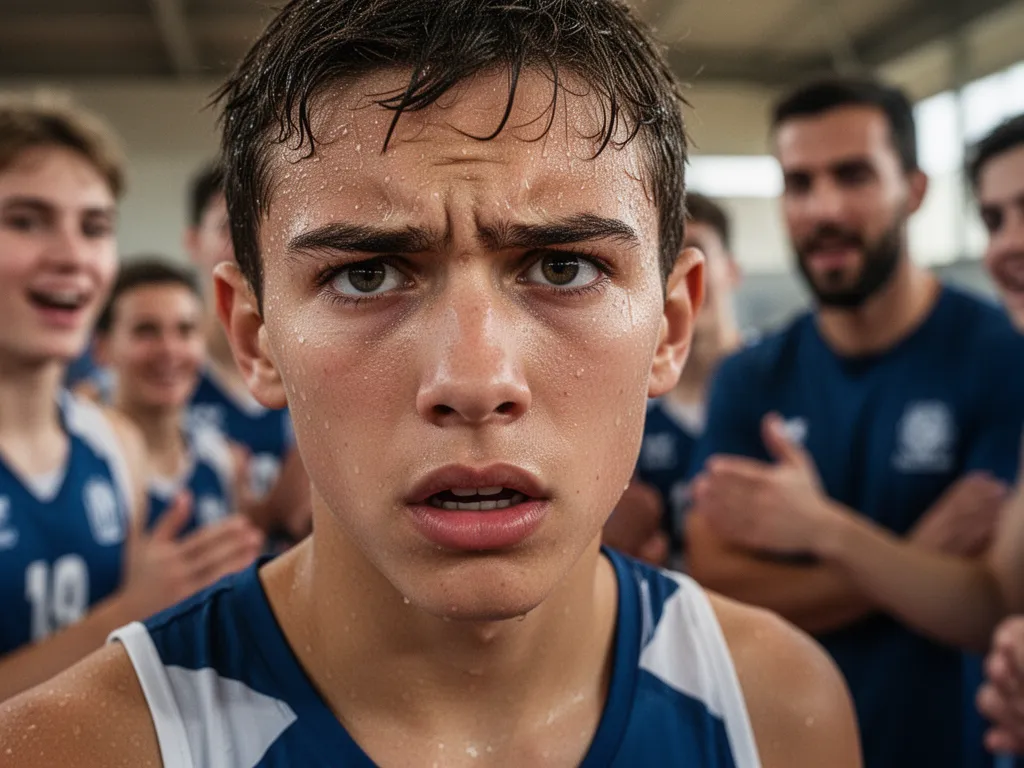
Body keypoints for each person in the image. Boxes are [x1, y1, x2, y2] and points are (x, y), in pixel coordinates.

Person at [0, 2, 862, 766]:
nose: (476, 380)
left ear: (671, 326)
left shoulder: (777, 705)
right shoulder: (79, 747)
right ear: (254, 338)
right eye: (367, 275)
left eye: (563, 266)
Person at [684, 78, 1024, 768]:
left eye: (854, 175)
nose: (824, 208)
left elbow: (990, 603)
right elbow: (713, 576)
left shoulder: (998, 353)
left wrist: (819, 533)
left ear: (915, 190)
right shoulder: (754, 377)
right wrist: (911, 555)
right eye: (799, 183)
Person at [0, 93, 263, 703]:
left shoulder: (115, 442)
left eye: (93, 227)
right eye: (25, 220)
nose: (71, 256)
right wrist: (129, 614)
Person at [185, 163, 311, 542]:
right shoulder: (157, 372)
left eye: (261, 225)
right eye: (229, 227)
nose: (247, 244)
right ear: (193, 243)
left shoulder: (319, 363)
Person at [92, 258, 246, 535]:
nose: (169, 351)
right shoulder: (86, 460)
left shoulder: (219, 458)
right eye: (146, 331)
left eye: (185, 331)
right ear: (103, 348)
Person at [631, 192, 742, 568]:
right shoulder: (633, 409)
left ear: (731, 271)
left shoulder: (781, 384)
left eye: (695, 252)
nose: (681, 279)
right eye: (668, 257)